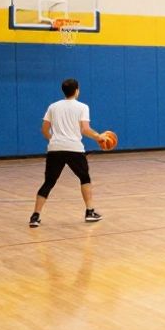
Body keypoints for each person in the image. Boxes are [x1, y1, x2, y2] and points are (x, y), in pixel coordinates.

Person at [30, 78, 108, 228]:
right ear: (77, 90)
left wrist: (55, 140)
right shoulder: (82, 107)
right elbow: (85, 129)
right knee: (85, 178)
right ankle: (90, 212)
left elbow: (44, 130)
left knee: (49, 182)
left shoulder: (53, 106)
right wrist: (99, 137)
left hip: (55, 148)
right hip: (74, 148)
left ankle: (35, 216)